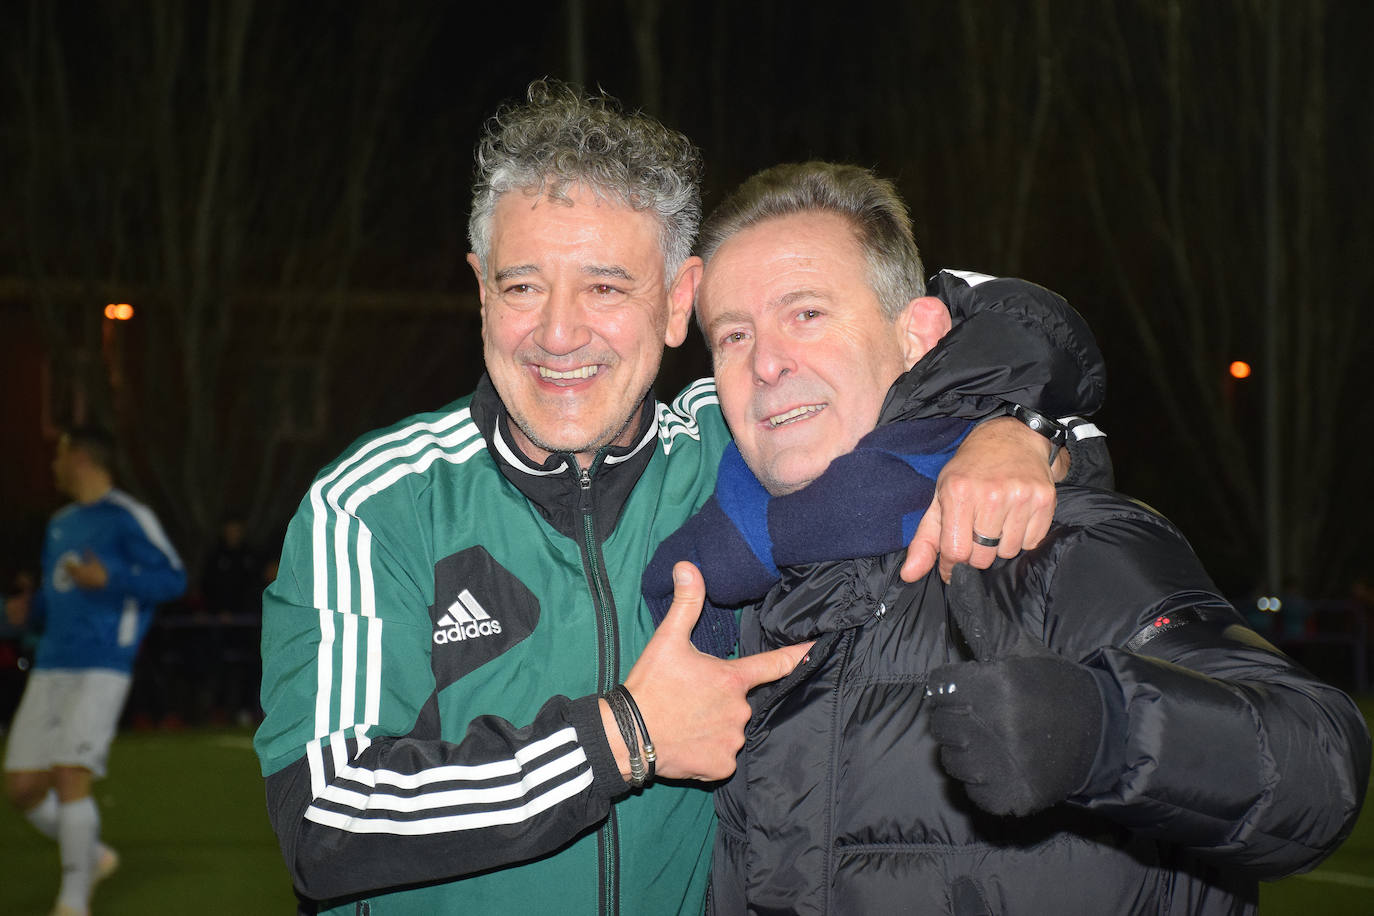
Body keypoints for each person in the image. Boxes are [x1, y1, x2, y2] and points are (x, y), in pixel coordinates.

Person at [253, 82, 1106, 915]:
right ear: (480, 291)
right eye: (521, 286)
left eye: (606, 287)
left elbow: (941, 317)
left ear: (677, 303)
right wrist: (623, 736)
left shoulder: (737, 440)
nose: (557, 334)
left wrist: (1022, 427)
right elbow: (325, 822)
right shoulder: (376, 503)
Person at [646, 161, 1371, 915]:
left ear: (917, 335)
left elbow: (1320, 762)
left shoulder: (1044, 535)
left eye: (807, 314)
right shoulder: (722, 592)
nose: (767, 363)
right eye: (733, 335)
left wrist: (1106, 732)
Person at [4, 426, 187, 916]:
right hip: (51, 664)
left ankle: (73, 901)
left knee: (70, 773)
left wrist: (114, 578)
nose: (53, 466)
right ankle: (91, 855)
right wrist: (28, 609)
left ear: (81, 458)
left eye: (59, 454)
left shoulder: (128, 517)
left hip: (104, 662)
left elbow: (173, 577)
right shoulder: (60, 523)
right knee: (22, 788)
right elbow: (56, 594)